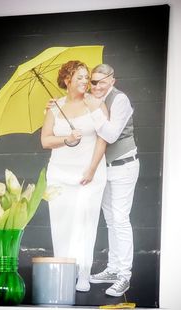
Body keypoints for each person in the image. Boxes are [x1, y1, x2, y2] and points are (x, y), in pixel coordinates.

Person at [41, 60, 108, 292]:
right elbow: (45, 140)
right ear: (67, 80)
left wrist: (91, 169)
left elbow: (103, 138)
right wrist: (66, 140)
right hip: (59, 173)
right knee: (61, 224)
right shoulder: (54, 107)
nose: (84, 81)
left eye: (86, 77)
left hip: (88, 173)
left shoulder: (96, 103)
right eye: (79, 77)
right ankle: (64, 271)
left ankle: (83, 273)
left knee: (85, 221)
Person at [85, 64, 140, 297]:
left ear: (112, 81)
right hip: (105, 170)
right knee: (110, 220)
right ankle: (113, 268)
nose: (96, 86)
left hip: (123, 166)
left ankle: (124, 275)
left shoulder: (120, 100)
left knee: (120, 219)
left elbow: (110, 135)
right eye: (93, 82)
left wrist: (94, 109)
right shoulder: (91, 98)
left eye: (101, 82)